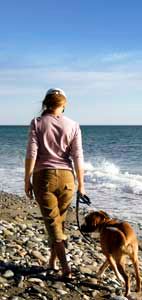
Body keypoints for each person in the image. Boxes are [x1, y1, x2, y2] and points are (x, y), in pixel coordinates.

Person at [24, 88, 85, 278]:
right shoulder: (73, 125)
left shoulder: (37, 123)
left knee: (52, 222)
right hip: (68, 178)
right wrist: (81, 184)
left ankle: (65, 268)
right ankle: (52, 261)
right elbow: (77, 156)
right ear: (64, 104)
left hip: (44, 176)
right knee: (58, 222)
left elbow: (32, 153)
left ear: (46, 103)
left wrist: (27, 179)